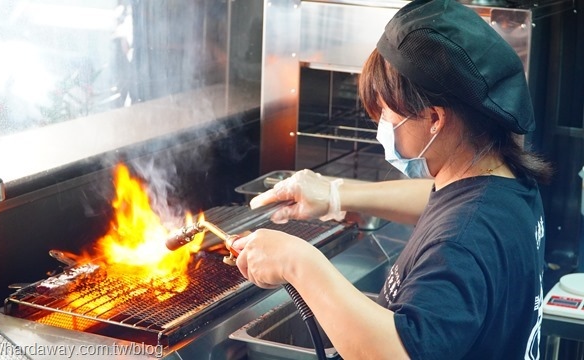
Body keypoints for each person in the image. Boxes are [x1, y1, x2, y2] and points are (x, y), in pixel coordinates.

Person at [231, 0, 552, 358]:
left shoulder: (461, 243)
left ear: (434, 118)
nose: (382, 125)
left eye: (386, 111)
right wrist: (336, 194)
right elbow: (441, 203)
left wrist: (297, 262)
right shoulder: (505, 185)